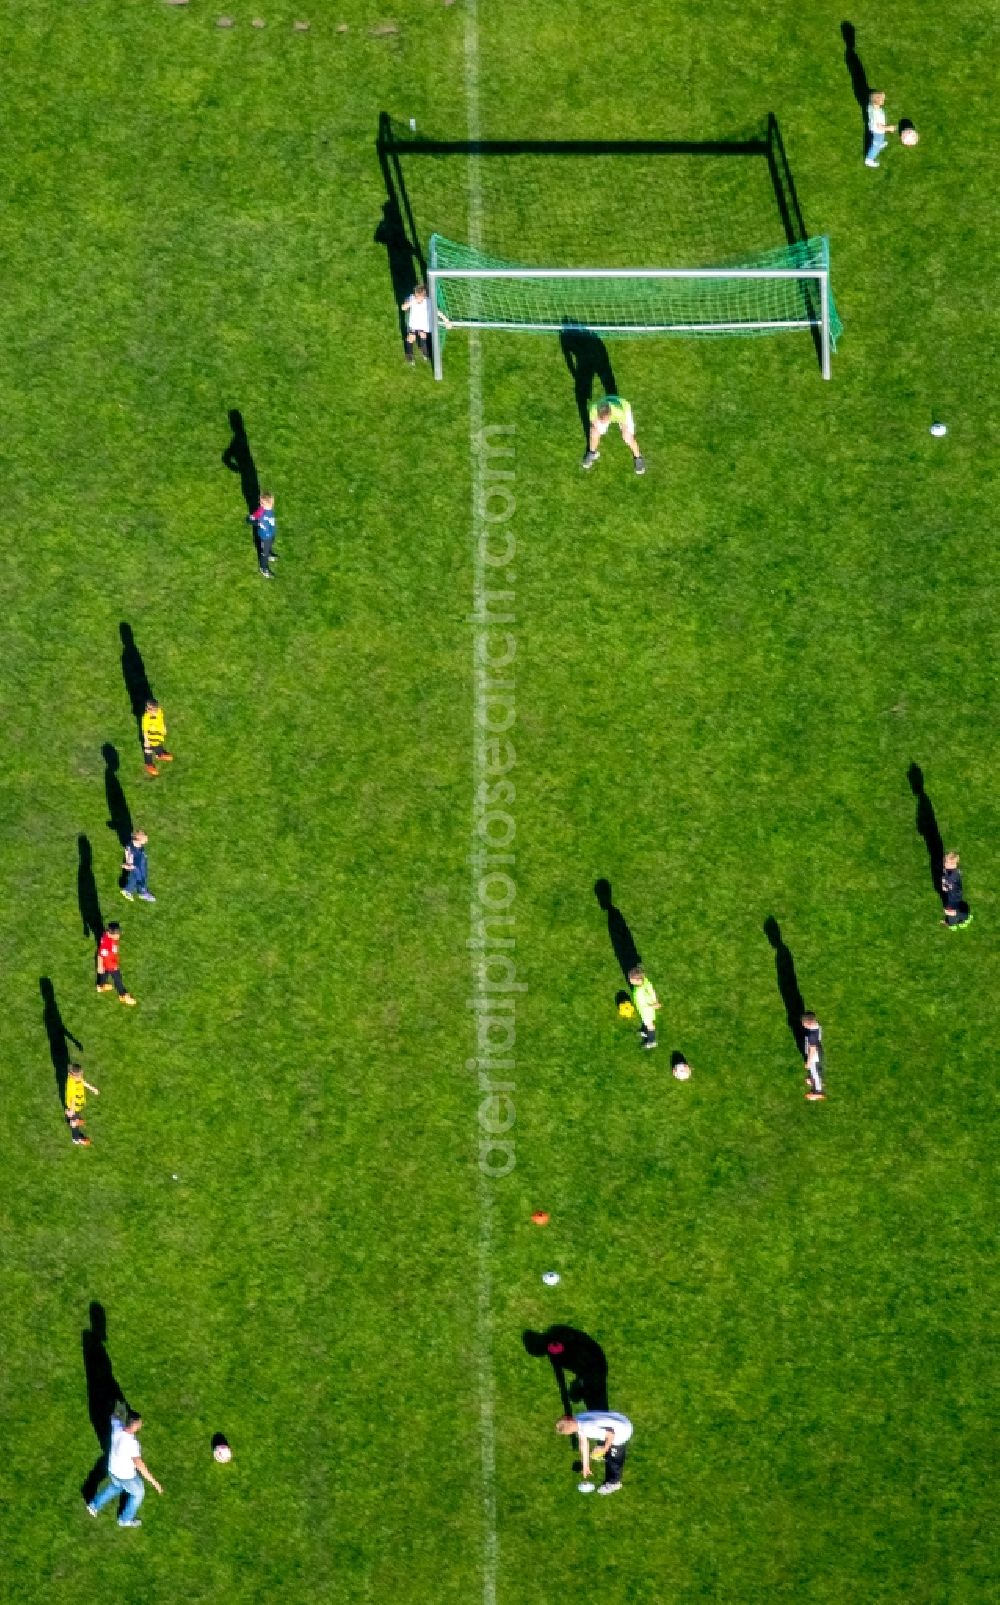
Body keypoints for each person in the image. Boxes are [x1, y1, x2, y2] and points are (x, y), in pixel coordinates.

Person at [87, 1411, 163, 1528]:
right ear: (134, 1426)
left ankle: (94, 1506)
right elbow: (140, 1465)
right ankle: (125, 1519)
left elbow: (113, 1417)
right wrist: (155, 1483)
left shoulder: (117, 1427)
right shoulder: (132, 1444)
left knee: (115, 1487)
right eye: (139, 1423)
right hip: (126, 1476)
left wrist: (117, 1413)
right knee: (138, 1493)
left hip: (113, 1469)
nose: (141, 1425)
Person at [555, 1410, 633, 1495]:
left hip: (622, 1432)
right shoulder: (578, 1418)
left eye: (569, 1433)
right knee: (604, 1442)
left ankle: (614, 1483)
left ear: (570, 1429)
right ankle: (606, 1450)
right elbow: (583, 1443)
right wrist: (585, 1466)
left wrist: (605, 1449)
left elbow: (611, 1434)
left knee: (614, 1460)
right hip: (620, 1419)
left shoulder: (588, 1429)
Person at [582, 396, 645, 475]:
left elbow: (624, 425)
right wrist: (598, 424)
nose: (603, 421)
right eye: (601, 418)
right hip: (607, 406)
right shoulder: (594, 409)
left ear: (610, 414)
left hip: (624, 409)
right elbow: (594, 423)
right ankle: (592, 453)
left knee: (628, 437)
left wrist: (625, 431)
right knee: (594, 431)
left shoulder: (619, 412)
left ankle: (638, 458)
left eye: (605, 419)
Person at [96, 923, 137, 1006]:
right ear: (111, 934)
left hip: (107, 962)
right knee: (118, 980)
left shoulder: (106, 935)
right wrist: (100, 965)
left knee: (104, 974)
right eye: (117, 934)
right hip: (111, 964)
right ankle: (123, 995)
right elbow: (100, 954)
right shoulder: (107, 944)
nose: (119, 935)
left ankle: (100, 987)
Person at [65, 1063, 99, 1147]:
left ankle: (76, 1120)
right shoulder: (71, 1084)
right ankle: (76, 1138)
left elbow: (82, 1082)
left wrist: (92, 1088)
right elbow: (72, 1099)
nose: (81, 1076)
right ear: (74, 1075)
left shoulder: (77, 1078)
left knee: (75, 1118)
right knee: (74, 1122)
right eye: (80, 1075)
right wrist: (71, 1110)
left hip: (77, 1106)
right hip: (74, 1107)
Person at [628, 965, 660, 1050]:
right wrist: (656, 1001)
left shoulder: (641, 990)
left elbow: (650, 994)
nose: (630, 980)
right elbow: (652, 990)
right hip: (644, 1009)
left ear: (638, 980)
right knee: (647, 1023)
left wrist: (654, 1004)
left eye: (631, 979)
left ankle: (652, 1041)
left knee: (650, 1024)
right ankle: (646, 1031)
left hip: (647, 1010)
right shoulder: (645, 981)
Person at [941, 851, 973, 929]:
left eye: (947, 862)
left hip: (953, 897)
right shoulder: (954, 871)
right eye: (945, 861)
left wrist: (945, 885)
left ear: (953, 865)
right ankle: (958, 915)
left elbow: (948, 885)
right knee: (951, 907)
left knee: (950, 911)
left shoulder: (952, 877)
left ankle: (951, 923)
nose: (945, 863)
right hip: (955, 894)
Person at [249, 492, 277, 580]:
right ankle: (264, 568)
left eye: (262, 503)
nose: (260, 504)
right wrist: (252, 519)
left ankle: (268, 554)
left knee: (271, 543)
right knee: (264, 553)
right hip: (264, 536)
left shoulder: (269, 509)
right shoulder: (261, 511)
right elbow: (253, 518)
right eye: (261, 503)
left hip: (271, 533)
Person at [121, 830, 155, 903]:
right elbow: (129, 857)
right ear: (138, 840)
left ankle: (137, 890)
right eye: (145, 840)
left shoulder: (138, 845)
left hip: (141, 862)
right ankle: (139, 892)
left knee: (142, 876)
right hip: (136, 865)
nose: (146, 841)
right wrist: (129, 865)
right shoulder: (131, 848)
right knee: (139, 877)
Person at [141, 699, 173, 777]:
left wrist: (164, 727)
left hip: (158, 735)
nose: (147, 710)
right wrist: (146, 740)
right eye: (147, 708)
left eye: (150, 709)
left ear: (156, 708)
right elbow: (145, 730)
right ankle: (149, 765)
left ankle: (160, 755)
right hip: (150, 736)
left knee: (158, 745)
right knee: (148, 750)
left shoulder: (159, 712)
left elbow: (161, 720)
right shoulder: (146, 718)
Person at [865, 92, 896, 168]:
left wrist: (880, 95)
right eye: (882, 100)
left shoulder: (871, 106)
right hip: (878, 131)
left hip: (873, 127)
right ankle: (869, 159)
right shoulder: (877, 114)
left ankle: (879, 143)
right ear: (877, 102)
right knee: (875, 146)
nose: (884, 100)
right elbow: (880, 126)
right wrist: (889, 128)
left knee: (879, 140)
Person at [801, 1011, 825, 1101]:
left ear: (808, 1023)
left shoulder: (812, 1035)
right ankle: (814, 1080)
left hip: (814, 1055)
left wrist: (808, 1062)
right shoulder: (816, 1025)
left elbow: (812, 1049)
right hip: (817, 1050)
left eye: (804, 1023)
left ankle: (818, 1091)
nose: (803, 1025)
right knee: (815, 1070)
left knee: (815, 1071)